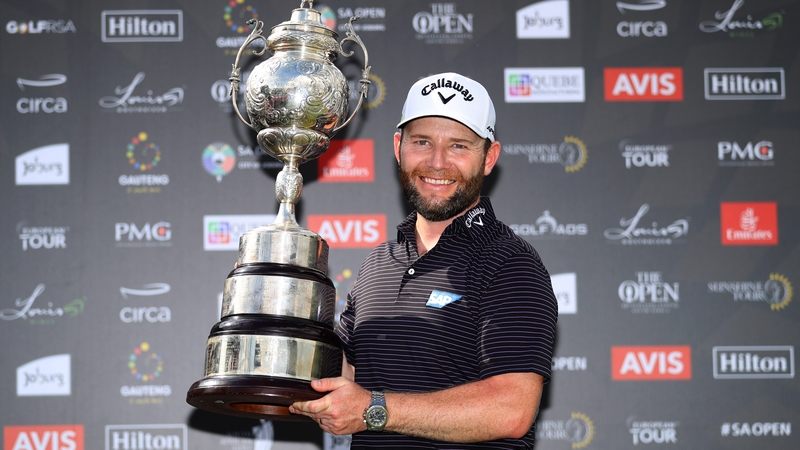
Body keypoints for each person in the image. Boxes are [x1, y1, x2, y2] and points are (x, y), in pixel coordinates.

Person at [290, 72, 558, 449]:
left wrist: (374, 409)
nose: (437, 162)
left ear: (489, 157)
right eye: (422, 142)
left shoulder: (510, 264)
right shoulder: (378, 264)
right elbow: (343, 379)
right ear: (399, 147)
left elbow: (511, 408)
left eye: (459, 146)